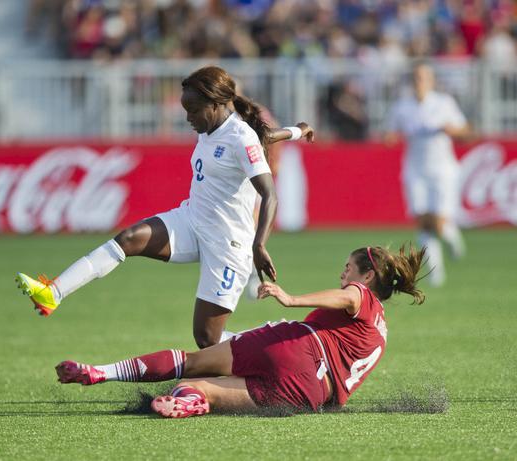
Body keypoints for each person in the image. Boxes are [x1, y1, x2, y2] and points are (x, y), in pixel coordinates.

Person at [16, 65, 314, 348]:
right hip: (191, 220)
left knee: (207, 340)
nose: (188, 119)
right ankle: (52, 293)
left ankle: (277, 346)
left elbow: (270, 194)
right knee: (129, 238)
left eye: (193, 111)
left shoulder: (240, 138)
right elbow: (267, 135)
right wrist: (298, 131)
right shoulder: (214, 124)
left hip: (229, 242)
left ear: (214, 105)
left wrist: (259, 245)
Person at [54, 244, 426, 418]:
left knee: (192, 363)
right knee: (205, 392)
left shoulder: (360, 295)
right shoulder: (381, 329)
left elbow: (347, 297)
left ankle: (102, 371)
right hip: (307, 394)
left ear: (368, 275)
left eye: (348, 267)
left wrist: (291, 298)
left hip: (295, 348)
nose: (343, 275)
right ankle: (188, 402)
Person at [385, 62, 470, 287]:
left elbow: (465, 129)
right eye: (415, 78)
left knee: (439, 222)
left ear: (431, 81)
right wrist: (390, 137)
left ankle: (452, 238)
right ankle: (436, 273)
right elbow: (391, 132)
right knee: (423, 221)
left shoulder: (444, 103)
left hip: (442, 170)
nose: (418, 82)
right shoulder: (402, 107)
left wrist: (453, 129)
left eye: (423, 78)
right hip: (415, 170)